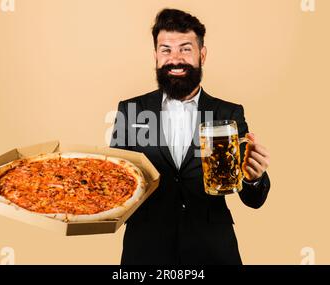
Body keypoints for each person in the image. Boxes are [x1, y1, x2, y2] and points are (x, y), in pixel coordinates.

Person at [110, 8, 271, 265]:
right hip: (146, 252)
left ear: (202, 55)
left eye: (185, 49)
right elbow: (116, 184)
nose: (175, 59)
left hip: (213, 251)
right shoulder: (130, 111)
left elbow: (253, 199)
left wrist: (253, 179)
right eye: (166, 50)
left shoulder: (228, 112)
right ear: (155, 56)